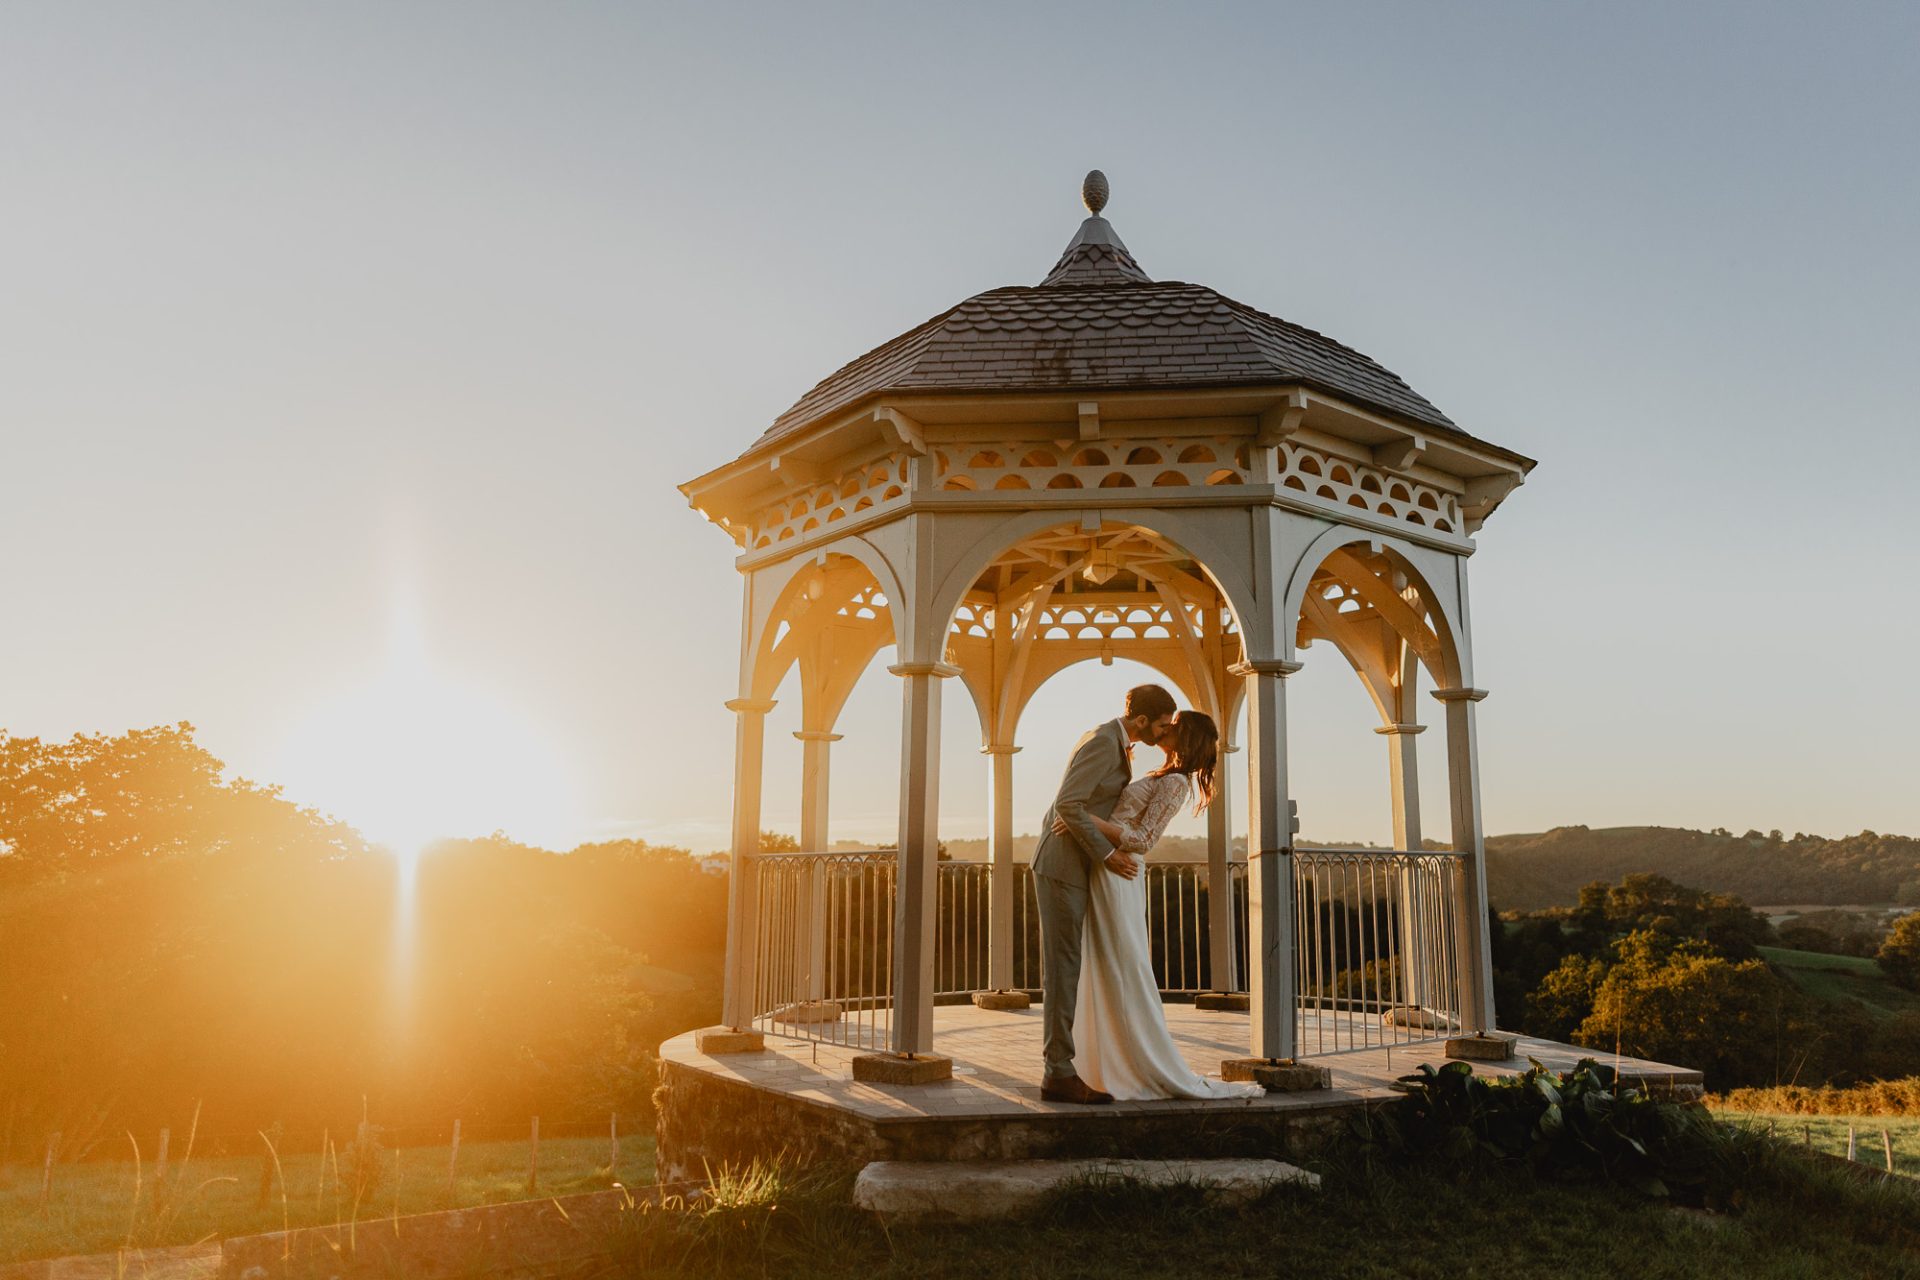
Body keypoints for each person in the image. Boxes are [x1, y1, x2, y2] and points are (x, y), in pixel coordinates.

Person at [1058, 710, 1263, 1101]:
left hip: (1120, 873)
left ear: (1186, 738)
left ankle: (1140, 1062)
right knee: (1103, 964)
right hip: (1105, 870)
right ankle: (1103, 1061)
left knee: (1125, 964)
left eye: (1175, 725)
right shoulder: (1159, 775)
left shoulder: (1175, 784)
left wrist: (1085, 820)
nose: (1165, 727)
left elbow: (1143, 839)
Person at [1030, 683, 1176, 1105]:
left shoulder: (1117, 743)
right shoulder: (1101, 741)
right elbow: (1067, 805)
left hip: (1077, 864)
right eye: (1162, 726)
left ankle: (1070, 1065)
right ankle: (1057, 1072)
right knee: (1062, 969)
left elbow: (1080, 807)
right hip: (1061, 865)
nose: (1164, 734)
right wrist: (1109, 853)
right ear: (1142, 720)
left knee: (1071, 965)